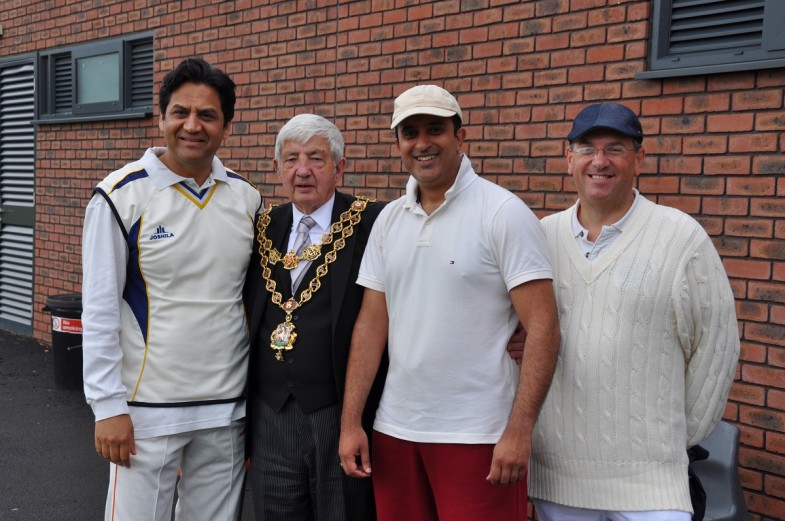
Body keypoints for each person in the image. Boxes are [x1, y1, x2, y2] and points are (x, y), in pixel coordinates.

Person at [338, 85, 561, 521]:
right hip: (395, 429)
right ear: (399, 144)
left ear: (460, 138)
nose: (422, 143)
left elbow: (545, 328)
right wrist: (351, 422)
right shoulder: (388, 220)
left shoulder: (502, 213)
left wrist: (519, 431)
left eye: (435, 129)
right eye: (410, 132)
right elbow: (370, 326)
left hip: (479, 436)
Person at [528, 103, 740, 520]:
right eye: (587, 148)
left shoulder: (680, 237)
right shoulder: (539, 238)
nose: (600, 161)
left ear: (638, 159)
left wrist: (673, 437)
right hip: (558, 477)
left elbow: (717, 347)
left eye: (616, 149)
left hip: (652, 483)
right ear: (568, 157)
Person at [81, 57, 261, 521]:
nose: (192, 126)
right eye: (181, 112)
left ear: (226, 127)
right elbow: (99, 309)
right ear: (161, 118)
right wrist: (107, 406)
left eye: (208, 115)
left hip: (225, 410)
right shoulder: (120, 196)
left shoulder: (247, 198)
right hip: (146, 412)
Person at [243, 113, 386, 521]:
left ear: (339, 167)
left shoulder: (371, 223)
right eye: (291, 159)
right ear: (277, 169)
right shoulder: (261, 228)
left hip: (338, 413)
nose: (302, 170)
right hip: (270, 416)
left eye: (316, 159)